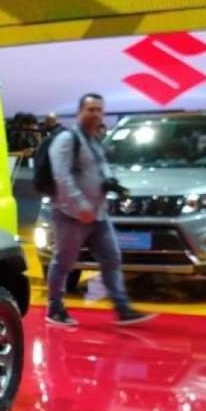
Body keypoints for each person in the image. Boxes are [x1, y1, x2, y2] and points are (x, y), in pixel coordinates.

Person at [46, 93, 154, 327]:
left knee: (112, 258)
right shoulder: (67, 139)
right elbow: (61, 177)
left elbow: (98, 169)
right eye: (91, 110)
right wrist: (80, 205)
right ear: (79, 113)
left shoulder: (93, 141)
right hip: (71, 216)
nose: (96, 114)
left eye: (99, 110)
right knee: (64, 262)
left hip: (97, 214)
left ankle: (122, 308)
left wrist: (110, 182)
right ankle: (55, 308)